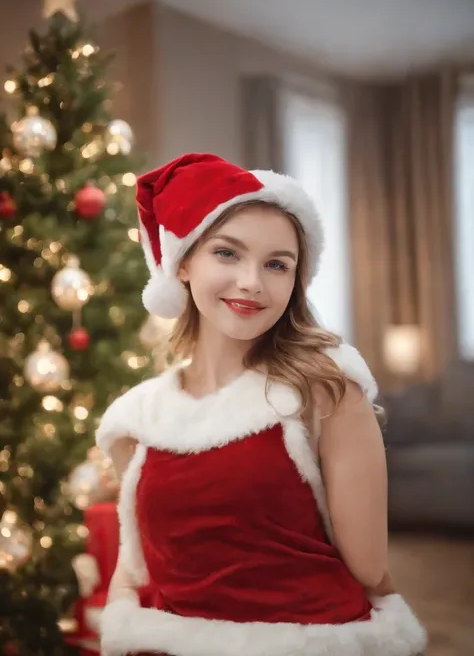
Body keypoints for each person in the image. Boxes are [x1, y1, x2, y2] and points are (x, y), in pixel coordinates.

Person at [96, 153, 426, 656]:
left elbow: (368, 568)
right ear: (182, 262)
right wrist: (122, 626)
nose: (252, 280)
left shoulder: (327, 389)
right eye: (227, 253)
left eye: (277, 264)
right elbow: (135, 567)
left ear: (296, 280)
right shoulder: (138, 418)